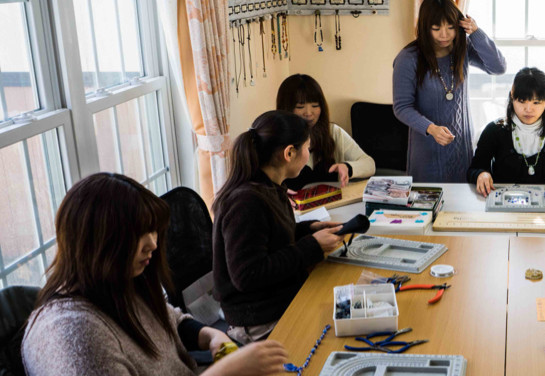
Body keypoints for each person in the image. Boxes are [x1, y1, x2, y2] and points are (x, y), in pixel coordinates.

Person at [22, 173, 288, 375]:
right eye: (140, 234)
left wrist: (210, 336)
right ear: (99, 242)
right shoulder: (74, 335)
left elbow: (169, 319)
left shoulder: (117, 284)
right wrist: (225, 371)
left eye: (154, 231)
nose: (153, 243)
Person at [212, 111, 344, 344]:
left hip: (276, 300)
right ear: (289, 153)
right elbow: (248, 275)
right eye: (307, 149)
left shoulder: (270, 187)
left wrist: (308, 229)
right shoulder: (246, 203)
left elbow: (272, 239)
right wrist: (310, 246)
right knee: (338, 333)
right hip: (258, 319)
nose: (308, 155)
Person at [393, 0, 506, 182]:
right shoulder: (408, 58)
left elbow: (498, 67)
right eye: (436, 28)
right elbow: (402, 107)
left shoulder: (463, 48)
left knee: (463, 207)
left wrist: (476, 34)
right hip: (427, 155)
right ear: (424, 27)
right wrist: (431, 128)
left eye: (450, 27)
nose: (444, 35)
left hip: (463, 152)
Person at [467, 67, 545, 196]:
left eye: (536, 102)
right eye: (522, 101)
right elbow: (474, 169)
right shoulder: (494, 130)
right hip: (504, 204)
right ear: (512, 96)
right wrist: (481, 174)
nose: (528, 109)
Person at [277, 74, 375, 190]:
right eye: (300, 107)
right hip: (293, 207)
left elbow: (369, 164)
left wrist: (347, 167)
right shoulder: (276, 137)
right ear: (286, 108)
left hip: (331, 205)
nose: (309, 113)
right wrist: (278, 193)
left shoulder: (333, 132)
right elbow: (261, 181)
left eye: (315, 105)